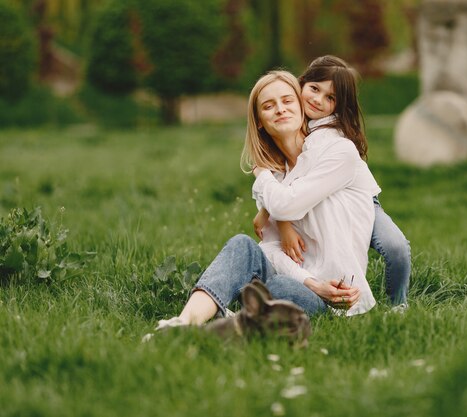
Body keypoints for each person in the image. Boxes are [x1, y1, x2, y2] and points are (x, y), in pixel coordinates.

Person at [153, 69, 379, 330]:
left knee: (279, 286)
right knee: (243, 246)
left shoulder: (337, 151)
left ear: (302, 107)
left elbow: (286, 205)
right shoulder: (275, 177)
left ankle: (230, 319)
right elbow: (270, 249)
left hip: (336, 299)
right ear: (260, 121)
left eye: (287, 101)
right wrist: (309, 281)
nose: (280, 109)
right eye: (268, 106)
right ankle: (182, 325)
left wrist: (260, 173)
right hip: (307, 284)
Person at [253, 56, 411, 307]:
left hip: (359, 199)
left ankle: (398, 304)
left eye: (330, 98)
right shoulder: (294, 118)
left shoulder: (329, 133)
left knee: (396, 246)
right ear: (301, 84)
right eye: (314, 89)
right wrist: (274, 216)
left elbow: (297, 185)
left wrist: (278, 216)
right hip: (321, 199)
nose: (317, 100)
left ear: (338, 106)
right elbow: (292, 179)